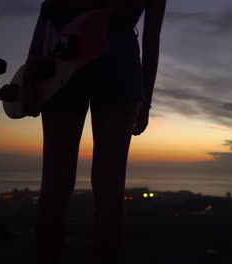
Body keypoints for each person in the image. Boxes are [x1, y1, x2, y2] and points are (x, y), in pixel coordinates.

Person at [24, 1, 166, 263]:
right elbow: (152, 36)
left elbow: (48, 11)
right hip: (118, 59)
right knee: (110, 183)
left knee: (55, 179)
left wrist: (32, 71)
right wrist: (145, 98)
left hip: (64, 55)